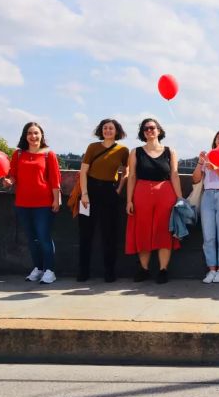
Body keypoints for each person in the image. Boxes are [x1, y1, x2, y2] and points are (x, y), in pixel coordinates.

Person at [125, 118, 182, 284]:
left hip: (165, 193)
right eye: (145, 129)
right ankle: (144, 269)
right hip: (141, 193)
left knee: (164, 231)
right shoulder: (135, 152)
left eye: (152, 128)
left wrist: (179, 198)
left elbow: (174, 175)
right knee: (142, 230)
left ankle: (163, 270)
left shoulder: (170, 151)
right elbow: (132, 176)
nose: (149, 131)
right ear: (143, 133)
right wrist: (129, 200)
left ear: (159, 130)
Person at [7, 122, 61, 284]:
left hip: (43, 204)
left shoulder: (48, 154)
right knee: (32, 239)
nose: (33, 136)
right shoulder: (18, 155)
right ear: (25, 136)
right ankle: (38, 268)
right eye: (29, 133)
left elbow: (55, 180)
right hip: (23, 203)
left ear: (41, 135)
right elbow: (13, 175)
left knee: (44, 237)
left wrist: (57, 199)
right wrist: (9, 180)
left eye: (36, 133)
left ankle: (50, 270)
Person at [76, 119, 129, 283]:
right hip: (90, 190)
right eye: (105, 128)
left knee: (109, 234)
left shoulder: (123, 150)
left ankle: (109, 272)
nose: (107, 130)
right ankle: (83, 272)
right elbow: (83, 172)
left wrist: (119, 189)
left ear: (117, 131)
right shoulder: (93, 147)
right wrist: (84, 194)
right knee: (86, 234)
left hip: (109, 191)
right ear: (101, 130)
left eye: (111, 128)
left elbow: (126, 171)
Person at [192, 129, 219, 284]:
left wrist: (216, 169)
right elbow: (196, 179)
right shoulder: (208, 157)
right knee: (208, 236)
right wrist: (200, 162)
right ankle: (211, 269)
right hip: (208, 196)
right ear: (215, 140)